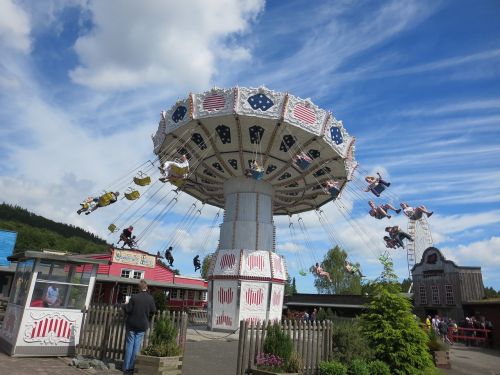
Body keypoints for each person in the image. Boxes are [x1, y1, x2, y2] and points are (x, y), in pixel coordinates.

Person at [122, 280, 156, 374]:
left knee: (129, 345)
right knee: (137, 346)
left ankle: (126, 368)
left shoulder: (134, 297)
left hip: (132, 324)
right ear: (147, 287)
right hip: (142, 324)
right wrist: (147, 316)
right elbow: (153, 310)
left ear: (139, 288)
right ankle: (133, 367)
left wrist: (124, 306)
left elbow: (128, 310)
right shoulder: (150, 298)